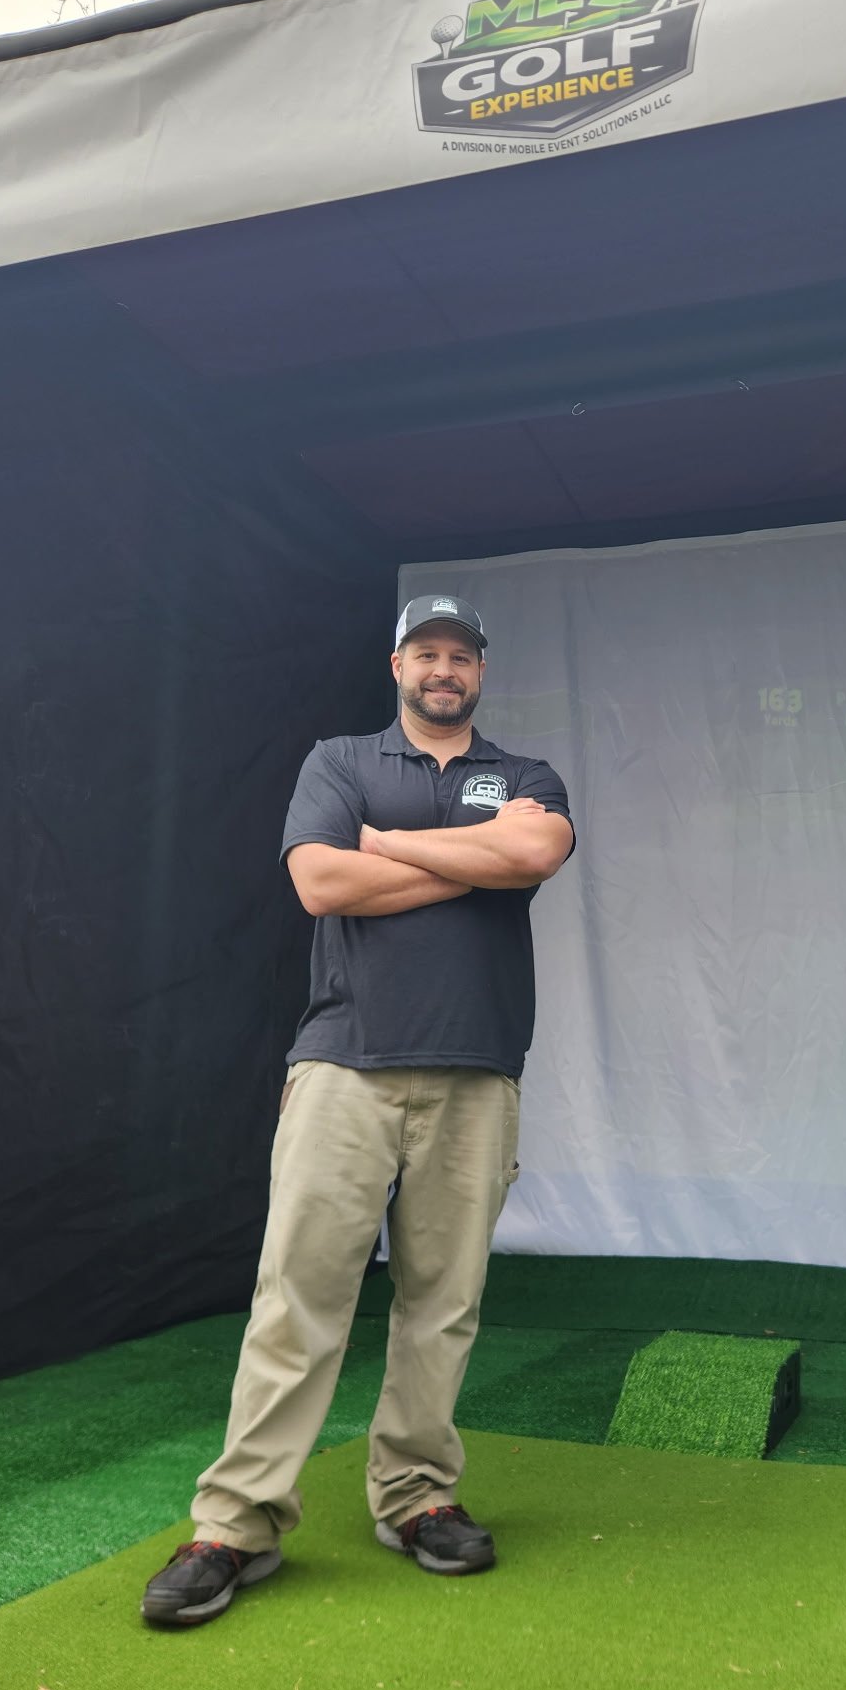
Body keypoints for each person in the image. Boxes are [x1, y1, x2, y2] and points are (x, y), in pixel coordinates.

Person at [140, 594, 575, 1626]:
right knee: (300, 1294)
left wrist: (395, 846)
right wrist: (465, 857)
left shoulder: (526, 778)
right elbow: (322, 882)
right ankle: (236, 1525)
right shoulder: (338, 763)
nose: (442, 668)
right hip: (345, 1064)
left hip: (476, 1068)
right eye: (426, 650)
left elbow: (533, 853)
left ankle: (417, 1497)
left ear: (478, 670)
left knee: (443, 1300)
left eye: (459, 654)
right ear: (397, 663)